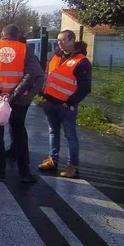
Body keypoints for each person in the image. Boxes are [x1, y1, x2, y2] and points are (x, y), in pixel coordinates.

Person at [0, 24, 44, 183]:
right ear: (17, 35)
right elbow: (30, 74)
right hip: (18, 101)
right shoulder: (25, 49)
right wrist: (12, 95)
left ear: (2, 34)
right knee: (19, 135)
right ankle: (24, 173)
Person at [38, 30, 92, 178]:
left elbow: (85, 88)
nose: (59, 43)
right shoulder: (56, 56)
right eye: (58, 40)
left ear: (71, 40)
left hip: (66, 106)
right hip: (50, 102)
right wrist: (44, 95)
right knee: (53, 132)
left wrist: (69, 103)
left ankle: (72, 166)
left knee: (70, 135)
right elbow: (47, 77)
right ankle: (52, 159)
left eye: (63, 40)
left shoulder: (82, 61)